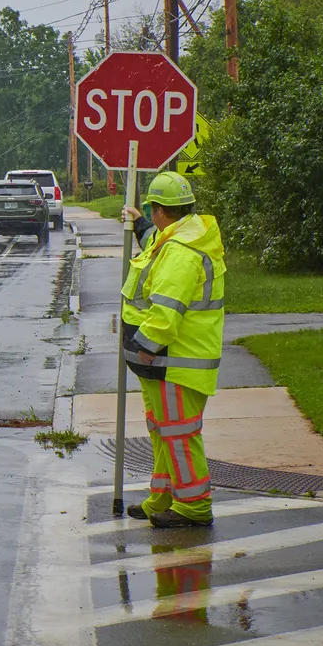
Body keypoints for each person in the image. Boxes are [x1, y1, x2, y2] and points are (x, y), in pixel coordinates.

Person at [119, 171, 226, 528]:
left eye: (152, 210)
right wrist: (139, 225)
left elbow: (166, 312)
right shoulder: (180, 237)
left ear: (161, 210)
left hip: (173, 361)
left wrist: (141, 345)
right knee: (163, 429)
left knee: (179, 434)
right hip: (164, 361)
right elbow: (156, 242)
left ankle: (194, 506)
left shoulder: (181, 252)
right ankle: (162, 496)